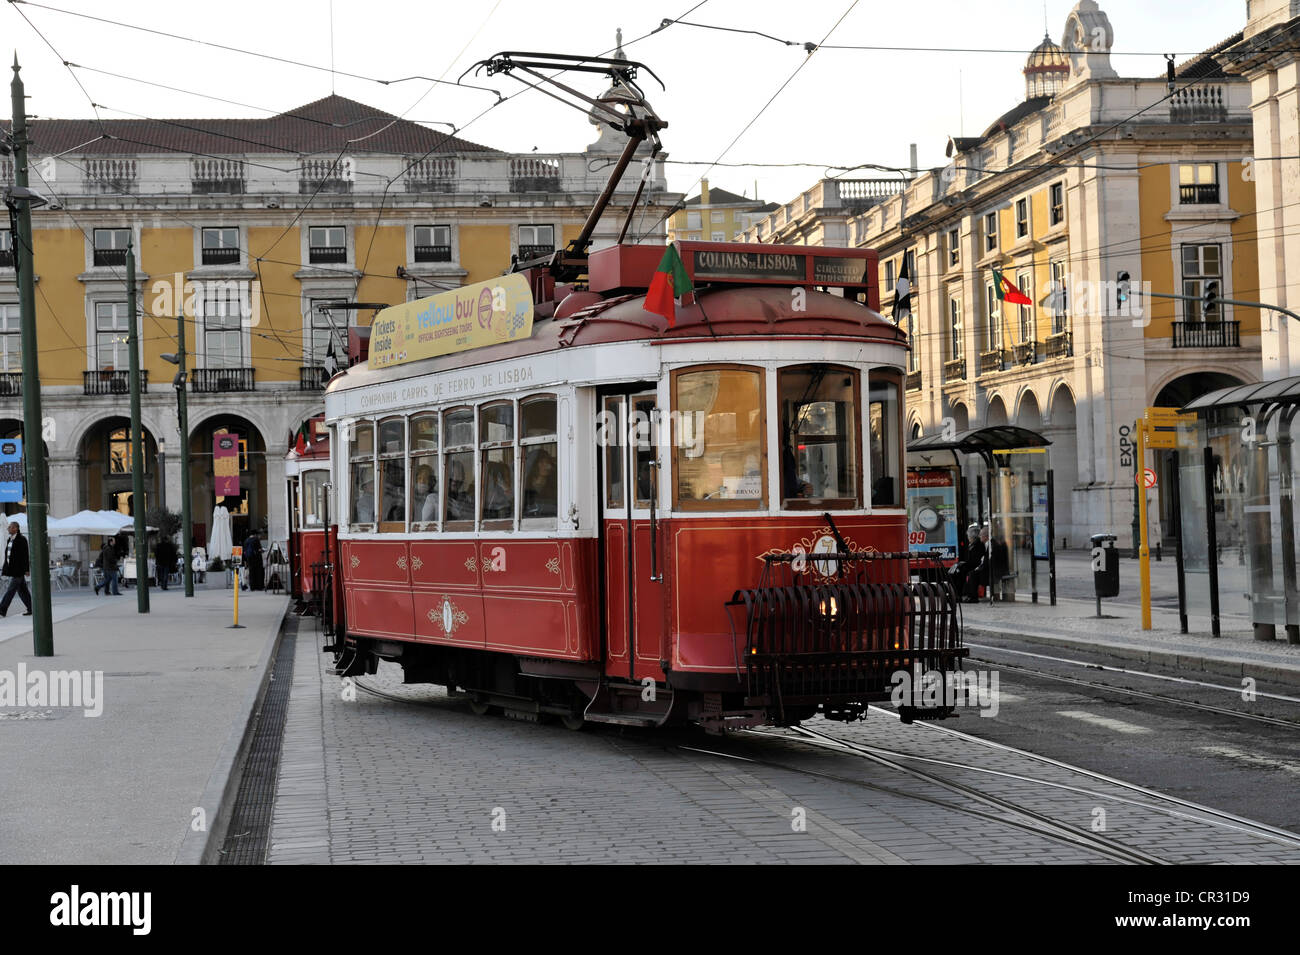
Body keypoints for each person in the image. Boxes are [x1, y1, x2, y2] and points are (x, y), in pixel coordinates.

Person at [0, 521, 32, 617]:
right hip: (12, 569)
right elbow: (8, 556)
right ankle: (31, 608)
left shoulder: (22, 539)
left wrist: (26, 569)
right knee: (22, 591)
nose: (8, 529)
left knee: (11, 590)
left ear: (15, 528)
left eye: (10, 527)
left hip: (19, 570)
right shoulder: (9, 540)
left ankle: (2, 609)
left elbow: (25, 555)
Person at [947, 523, 984, 602]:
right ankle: (955, 594)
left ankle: (957, 595)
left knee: (959, 573)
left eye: (968, 536)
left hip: (974, 567)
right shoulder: (972, 545)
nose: (968, 537)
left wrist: (963, 563)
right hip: (971, 566)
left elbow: (975, 561)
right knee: (956, 572)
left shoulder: (978, 545)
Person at [522, 449, 557, 517]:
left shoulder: (554, 485)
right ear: (534, 465)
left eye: (547, 462)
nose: (546, 466)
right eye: (541, 462)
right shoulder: (525, 484)